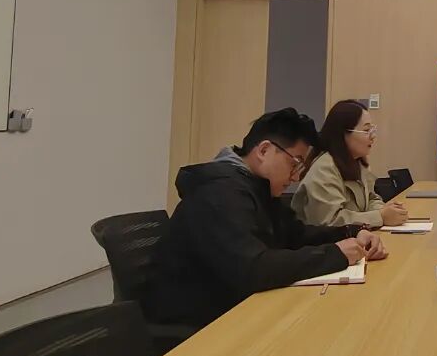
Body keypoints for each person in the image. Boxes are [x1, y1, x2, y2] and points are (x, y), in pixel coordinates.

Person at [147, 108, 387, 333]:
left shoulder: (257, 187)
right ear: (263, 151)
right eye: (295, 163)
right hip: (194, 330)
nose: (295, 177)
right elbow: (254, 268)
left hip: (234, 310)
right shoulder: (220, 193)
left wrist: (351, 232)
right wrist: (335, 254)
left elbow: (296, 235)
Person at [292, 100, 408, 228]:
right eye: (366, 130)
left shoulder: (357, 162)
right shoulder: (324, 168)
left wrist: (386, 211)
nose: (373, 136)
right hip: (328, 240)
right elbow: (330, 220)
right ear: (343, 134)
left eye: (372, 130)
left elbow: (371, 198)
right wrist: (380, 216)